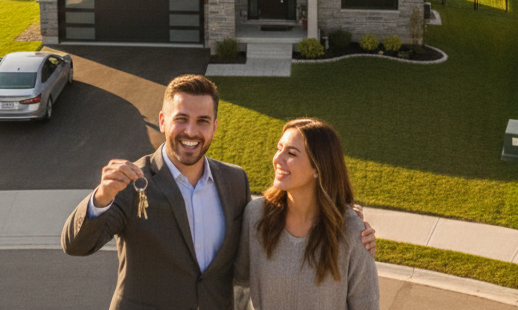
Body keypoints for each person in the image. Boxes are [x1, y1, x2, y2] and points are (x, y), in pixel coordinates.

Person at [62, 75, 375, 310]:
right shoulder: (134, 181)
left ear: (214, 127)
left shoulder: (235, 182)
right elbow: (76, 245)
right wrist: (101, 197)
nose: (191, 131)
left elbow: (240, 271)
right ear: (162, 121)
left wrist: (346, 220)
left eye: (202, 121)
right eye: (181, 119)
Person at [235, 118, 377, 310]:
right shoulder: (256, 216)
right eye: (279, 148)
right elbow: (239, 284)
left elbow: (365, 304)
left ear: (318, 168)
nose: (278, 159)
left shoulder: (351, 230)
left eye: (291, 153)